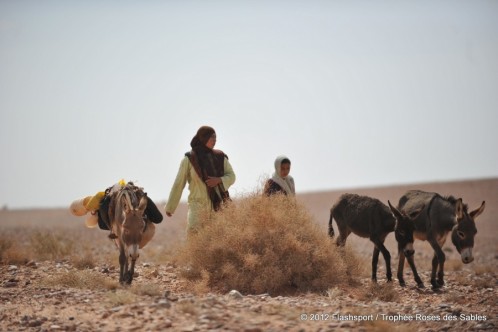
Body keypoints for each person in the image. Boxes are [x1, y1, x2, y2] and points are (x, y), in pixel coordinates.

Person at [165, 126, 236, 232]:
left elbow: (232, 176)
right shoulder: (189, 159)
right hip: (197, 208)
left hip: (217, 207)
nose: (214, 140)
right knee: (194, 237)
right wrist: (170, 207)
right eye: (211, 137)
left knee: (215, 240)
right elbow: (179, 184)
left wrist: (219, 180)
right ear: (203, 138)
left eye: (215, 137)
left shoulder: (220, 157)